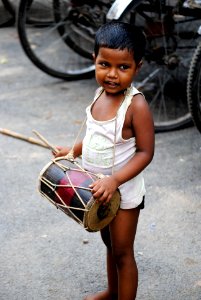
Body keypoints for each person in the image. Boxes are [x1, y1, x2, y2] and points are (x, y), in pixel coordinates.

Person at [54, 21, 155, 300]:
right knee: (109, 244)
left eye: (123, 67)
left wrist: (115, 180)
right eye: (104, 64)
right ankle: (112, 292)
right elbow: (97, 139)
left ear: (138, 66)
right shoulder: (99, 94)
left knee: (123, 252)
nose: (112, 74)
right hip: (98, 190)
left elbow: (146, 152)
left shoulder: (136, 106)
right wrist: (73, 149)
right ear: (94, 60)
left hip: (122, 193)